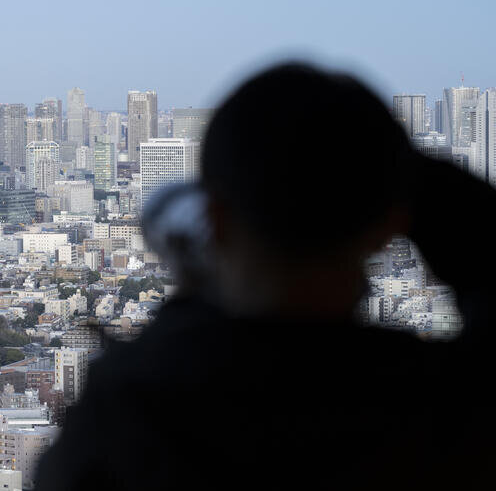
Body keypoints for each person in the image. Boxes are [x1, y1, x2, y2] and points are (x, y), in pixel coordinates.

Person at [34, 63, 496, 490]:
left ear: (216, 220)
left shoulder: (132, 416)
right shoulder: (442, 408)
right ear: (387, 224)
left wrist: (191, 298)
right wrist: (392, 169)